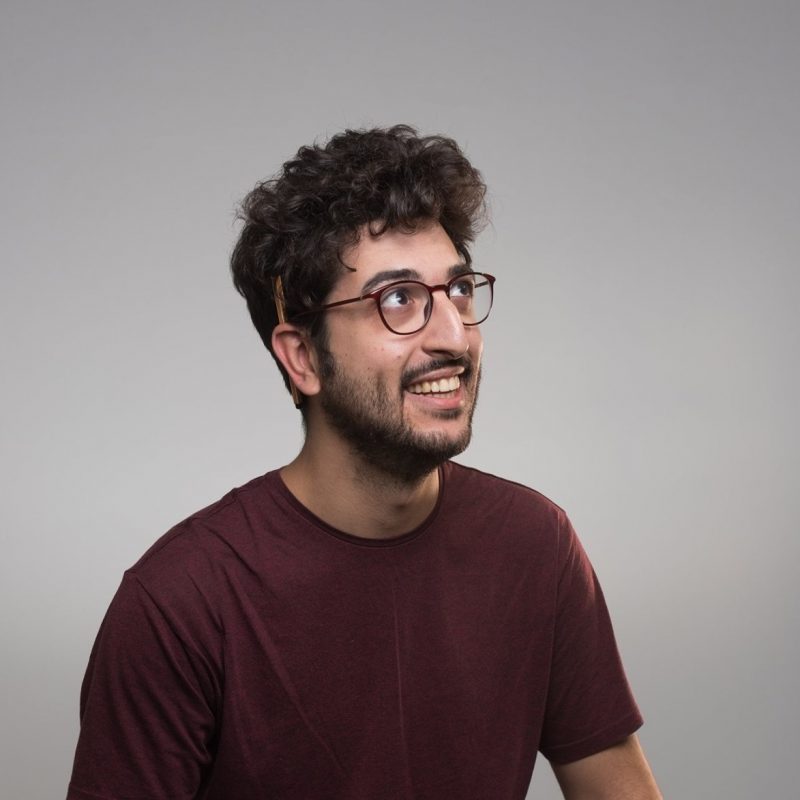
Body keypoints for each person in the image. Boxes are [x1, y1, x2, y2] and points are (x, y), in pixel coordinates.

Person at [67, 125, 661, 799]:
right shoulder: (180, 604)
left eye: (458, 290)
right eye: (398, 299)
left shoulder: (535, 545)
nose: (454, 335)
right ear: (303, 357)